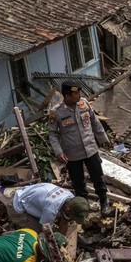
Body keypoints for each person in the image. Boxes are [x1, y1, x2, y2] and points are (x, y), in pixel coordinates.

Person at [48, 81, 112, 216]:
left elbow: (95, 122)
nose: (79, 95)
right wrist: (58, 152)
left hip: (90, 149)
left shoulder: (84, 103)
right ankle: (83, 208)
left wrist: (103, 138)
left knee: (98, 178)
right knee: (78, 183)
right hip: (72, 154)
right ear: (67, 96)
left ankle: (104, 203)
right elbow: (52, 134)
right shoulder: (56, 112)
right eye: (75, 93)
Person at [10, 183, 90, 234]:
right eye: (73, 217)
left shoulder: (70, 197)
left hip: (29, 192)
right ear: (68, 210)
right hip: (16, 204)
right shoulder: (51, 210)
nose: (72, 219)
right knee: (36, 232)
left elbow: (65, 220)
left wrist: (62, 238)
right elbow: (45, 231)